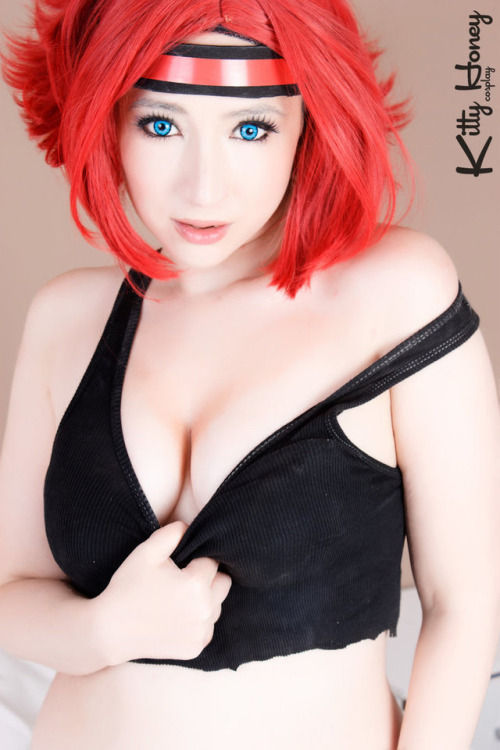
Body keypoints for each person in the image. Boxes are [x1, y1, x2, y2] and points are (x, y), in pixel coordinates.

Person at [0, 1, 499, 748]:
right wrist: (104, 629)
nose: (204, 188)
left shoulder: (397, 293)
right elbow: (11, 594)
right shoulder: (66, 317)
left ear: (309, 124)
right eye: (160, 124)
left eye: (252, 128)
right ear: (108, 121)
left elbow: (464, 604)